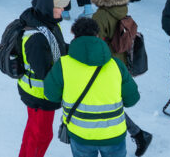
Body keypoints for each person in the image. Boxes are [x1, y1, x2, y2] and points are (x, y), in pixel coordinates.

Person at [41, 16, 141, 157]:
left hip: (80, 134)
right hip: (113, 134)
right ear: (97, 35)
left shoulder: (63, 65)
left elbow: (51, 95)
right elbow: (132, 99)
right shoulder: (116, 65)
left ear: (74, 35)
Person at [90, 0, 153, 154]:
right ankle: (139, 134)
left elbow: (95, 45)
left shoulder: (100, 16)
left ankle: (139, 134)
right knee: (111, 105)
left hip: (106, 66)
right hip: (122, 64)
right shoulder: (122, 9)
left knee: (109, 106)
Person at [16, 0, 70, 157]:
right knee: (42, 136)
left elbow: (60, 49)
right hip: (39, 95)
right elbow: (46, 73)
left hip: (38, 93)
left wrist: (80, 47)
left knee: (33, 131)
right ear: (47, 8)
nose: (62, 9)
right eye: (58, 6)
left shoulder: (50, 25)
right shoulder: (37, 38)